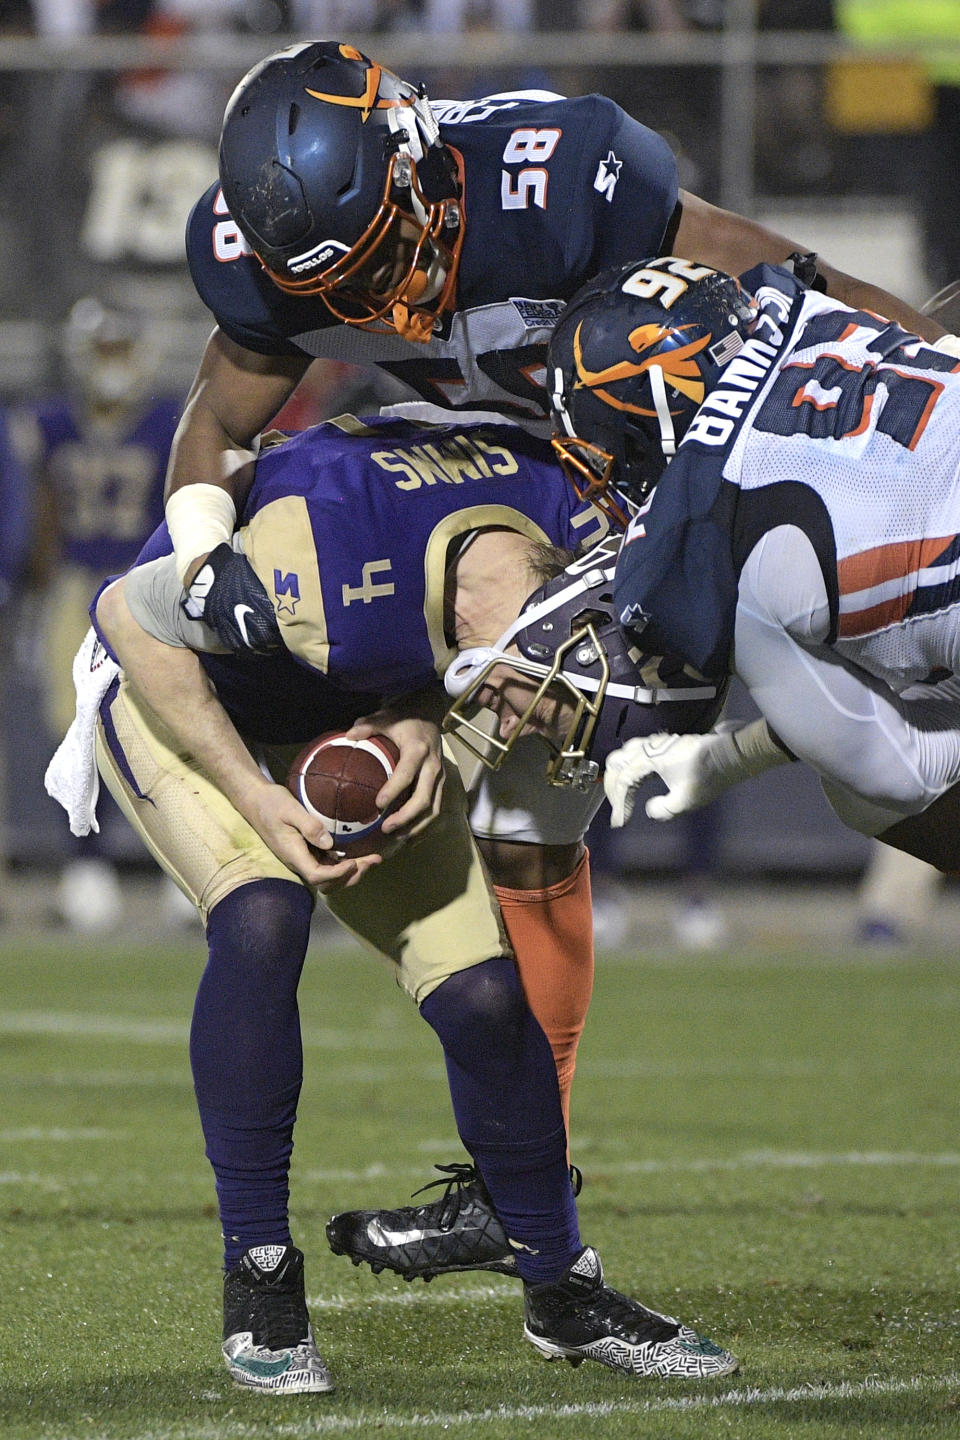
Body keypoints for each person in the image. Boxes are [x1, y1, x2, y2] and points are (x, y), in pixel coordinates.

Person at [151, 34, 953, 1270]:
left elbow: (783, 281)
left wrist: (931, 368)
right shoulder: (277, 271)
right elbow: (215, 427)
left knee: (872, 745)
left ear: (416, 166)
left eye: (379, 259)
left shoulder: (550, 175)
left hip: (665, 462)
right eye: (336, 285)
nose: (368, 307)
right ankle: (526, 1177)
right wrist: (204, 560)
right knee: (533, 820)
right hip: (503, 492)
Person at [47, 412, 734, 1392]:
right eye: (539, 702)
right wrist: (254, 799)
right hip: (182, 692)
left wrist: (419, 713)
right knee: (264, 914)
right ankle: (260, 1273)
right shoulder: (313, 559)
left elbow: (475, 617)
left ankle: (560, 1288)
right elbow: (128, 613)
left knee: (487, 998)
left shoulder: (572, 522)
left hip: (347, 703)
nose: (522, 725)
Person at [544, 252, 960, 871]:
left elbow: (898, 777)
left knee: (859, 795)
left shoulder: (718, 538)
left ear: (646, 415)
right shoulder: (813, 311)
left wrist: (742, 753)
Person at [17, 297, 180, 930]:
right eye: (103, 349)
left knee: (164, 723)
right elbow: (43, 519)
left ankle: (179, 859)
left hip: (143, 583)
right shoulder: (53, 424)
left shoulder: (166, 422)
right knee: (74, 732)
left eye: (120, 349)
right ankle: (86, 865)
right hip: (73, 587)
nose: (111, 364)